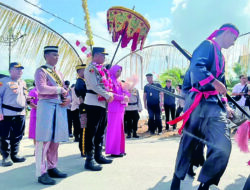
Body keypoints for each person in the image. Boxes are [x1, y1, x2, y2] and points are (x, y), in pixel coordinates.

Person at [169, 24, 239, 190]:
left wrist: (226, 106)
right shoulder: (207, 45)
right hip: (198, 104)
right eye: (234, 38)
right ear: (227, 33)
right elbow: (196, 68)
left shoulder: (222, 57)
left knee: (223, 146)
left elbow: (222, 90)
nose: (234, 43)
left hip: (215, 107)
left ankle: (206, 184)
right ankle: (176, 180)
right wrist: (214, 82)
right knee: (188, 145)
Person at [35, 46, 70, 185]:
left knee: (56, 140)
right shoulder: (41, 71)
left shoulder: (59, 73)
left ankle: (52, 166)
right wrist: (59, 89)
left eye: (58, 55)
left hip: (59, 107)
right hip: (46, 106)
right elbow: (41, 88)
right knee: (44, 140)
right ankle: (41, 172)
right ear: (46, 56)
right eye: (54, 55)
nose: (57, 57)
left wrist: (67, 98)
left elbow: (64, 90)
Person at [84, 47, 114, 171]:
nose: (104, 58)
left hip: (102, 103)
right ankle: (89, 159)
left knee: (101, 130)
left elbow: (105, 84)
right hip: (93, 102)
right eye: (102, 55)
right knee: (92, 130)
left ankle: (98, 155)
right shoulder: (91, 68)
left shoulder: (101, 69)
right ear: (96, 55)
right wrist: (107, 95)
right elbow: (94, 85)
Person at [0, 62, 29, 166]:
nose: (20, 71)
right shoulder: (3, 82)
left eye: (21, 69)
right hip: (7, 113)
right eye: (17, 69)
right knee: (5, 136)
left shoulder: (23, 82)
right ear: (10, 70)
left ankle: (14, 155)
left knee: (17, 135)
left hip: (20, 113)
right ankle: (6, 157)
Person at [105, 65, 129, 157]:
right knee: (114, 130)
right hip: (114, 108)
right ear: (113, 71)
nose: (119, 73)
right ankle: (113, 151)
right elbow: (111, 94)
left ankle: (120, 149)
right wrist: (123, 97)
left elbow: (123, 92)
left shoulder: (118, 82)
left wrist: (126, 93)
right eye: (117, 71)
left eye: (120, 71)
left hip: (120, 108)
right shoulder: (110, 80)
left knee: (120, 130)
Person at [74, 64, 87, 157]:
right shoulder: (79, 82)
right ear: (78, 72)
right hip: (84, 107)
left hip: (87, 106)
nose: (85, 72)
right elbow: (82, 93)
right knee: (84, 128)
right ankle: (83, 150)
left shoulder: (84, 81)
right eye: (83, 70)